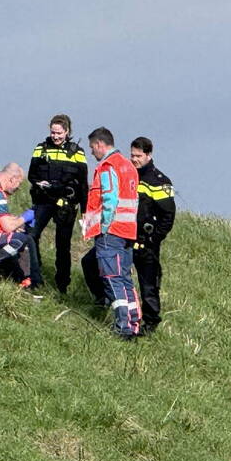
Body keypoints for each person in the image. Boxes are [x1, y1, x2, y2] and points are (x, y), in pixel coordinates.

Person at [80, 127, 142, 339]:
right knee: (125, 279)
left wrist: (104, 227)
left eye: (92, 148)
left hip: (112, 231)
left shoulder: (107, 166)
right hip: (128, 231)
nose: (92, 153)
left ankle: (123, 327)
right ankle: (134, 322)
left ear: (99, 144)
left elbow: (110, 199)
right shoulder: (129, 166)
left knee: (112, 277)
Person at [27, 114, 88, 294]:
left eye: (59, 133)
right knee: (31, 234)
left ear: (67, 131)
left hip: (65, 204)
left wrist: (85, 210)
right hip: (43, 201)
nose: (55, 136)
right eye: (53, 132)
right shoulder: (41, 148)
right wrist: (40, 183)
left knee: (63, 245)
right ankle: (34, 275)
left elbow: (83, 183)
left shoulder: (77, 152)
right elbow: (31, 175)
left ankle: (62, 285)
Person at [129, 137, 176, 334]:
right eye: (132, 155)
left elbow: (168, 216)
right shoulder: (127, 175)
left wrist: (153, 239)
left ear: (149, 155)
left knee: (149, 284)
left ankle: (150, 324)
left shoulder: (159, 181)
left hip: (147, 242)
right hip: (125, 237)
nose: (134, 159)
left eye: (138, 156)